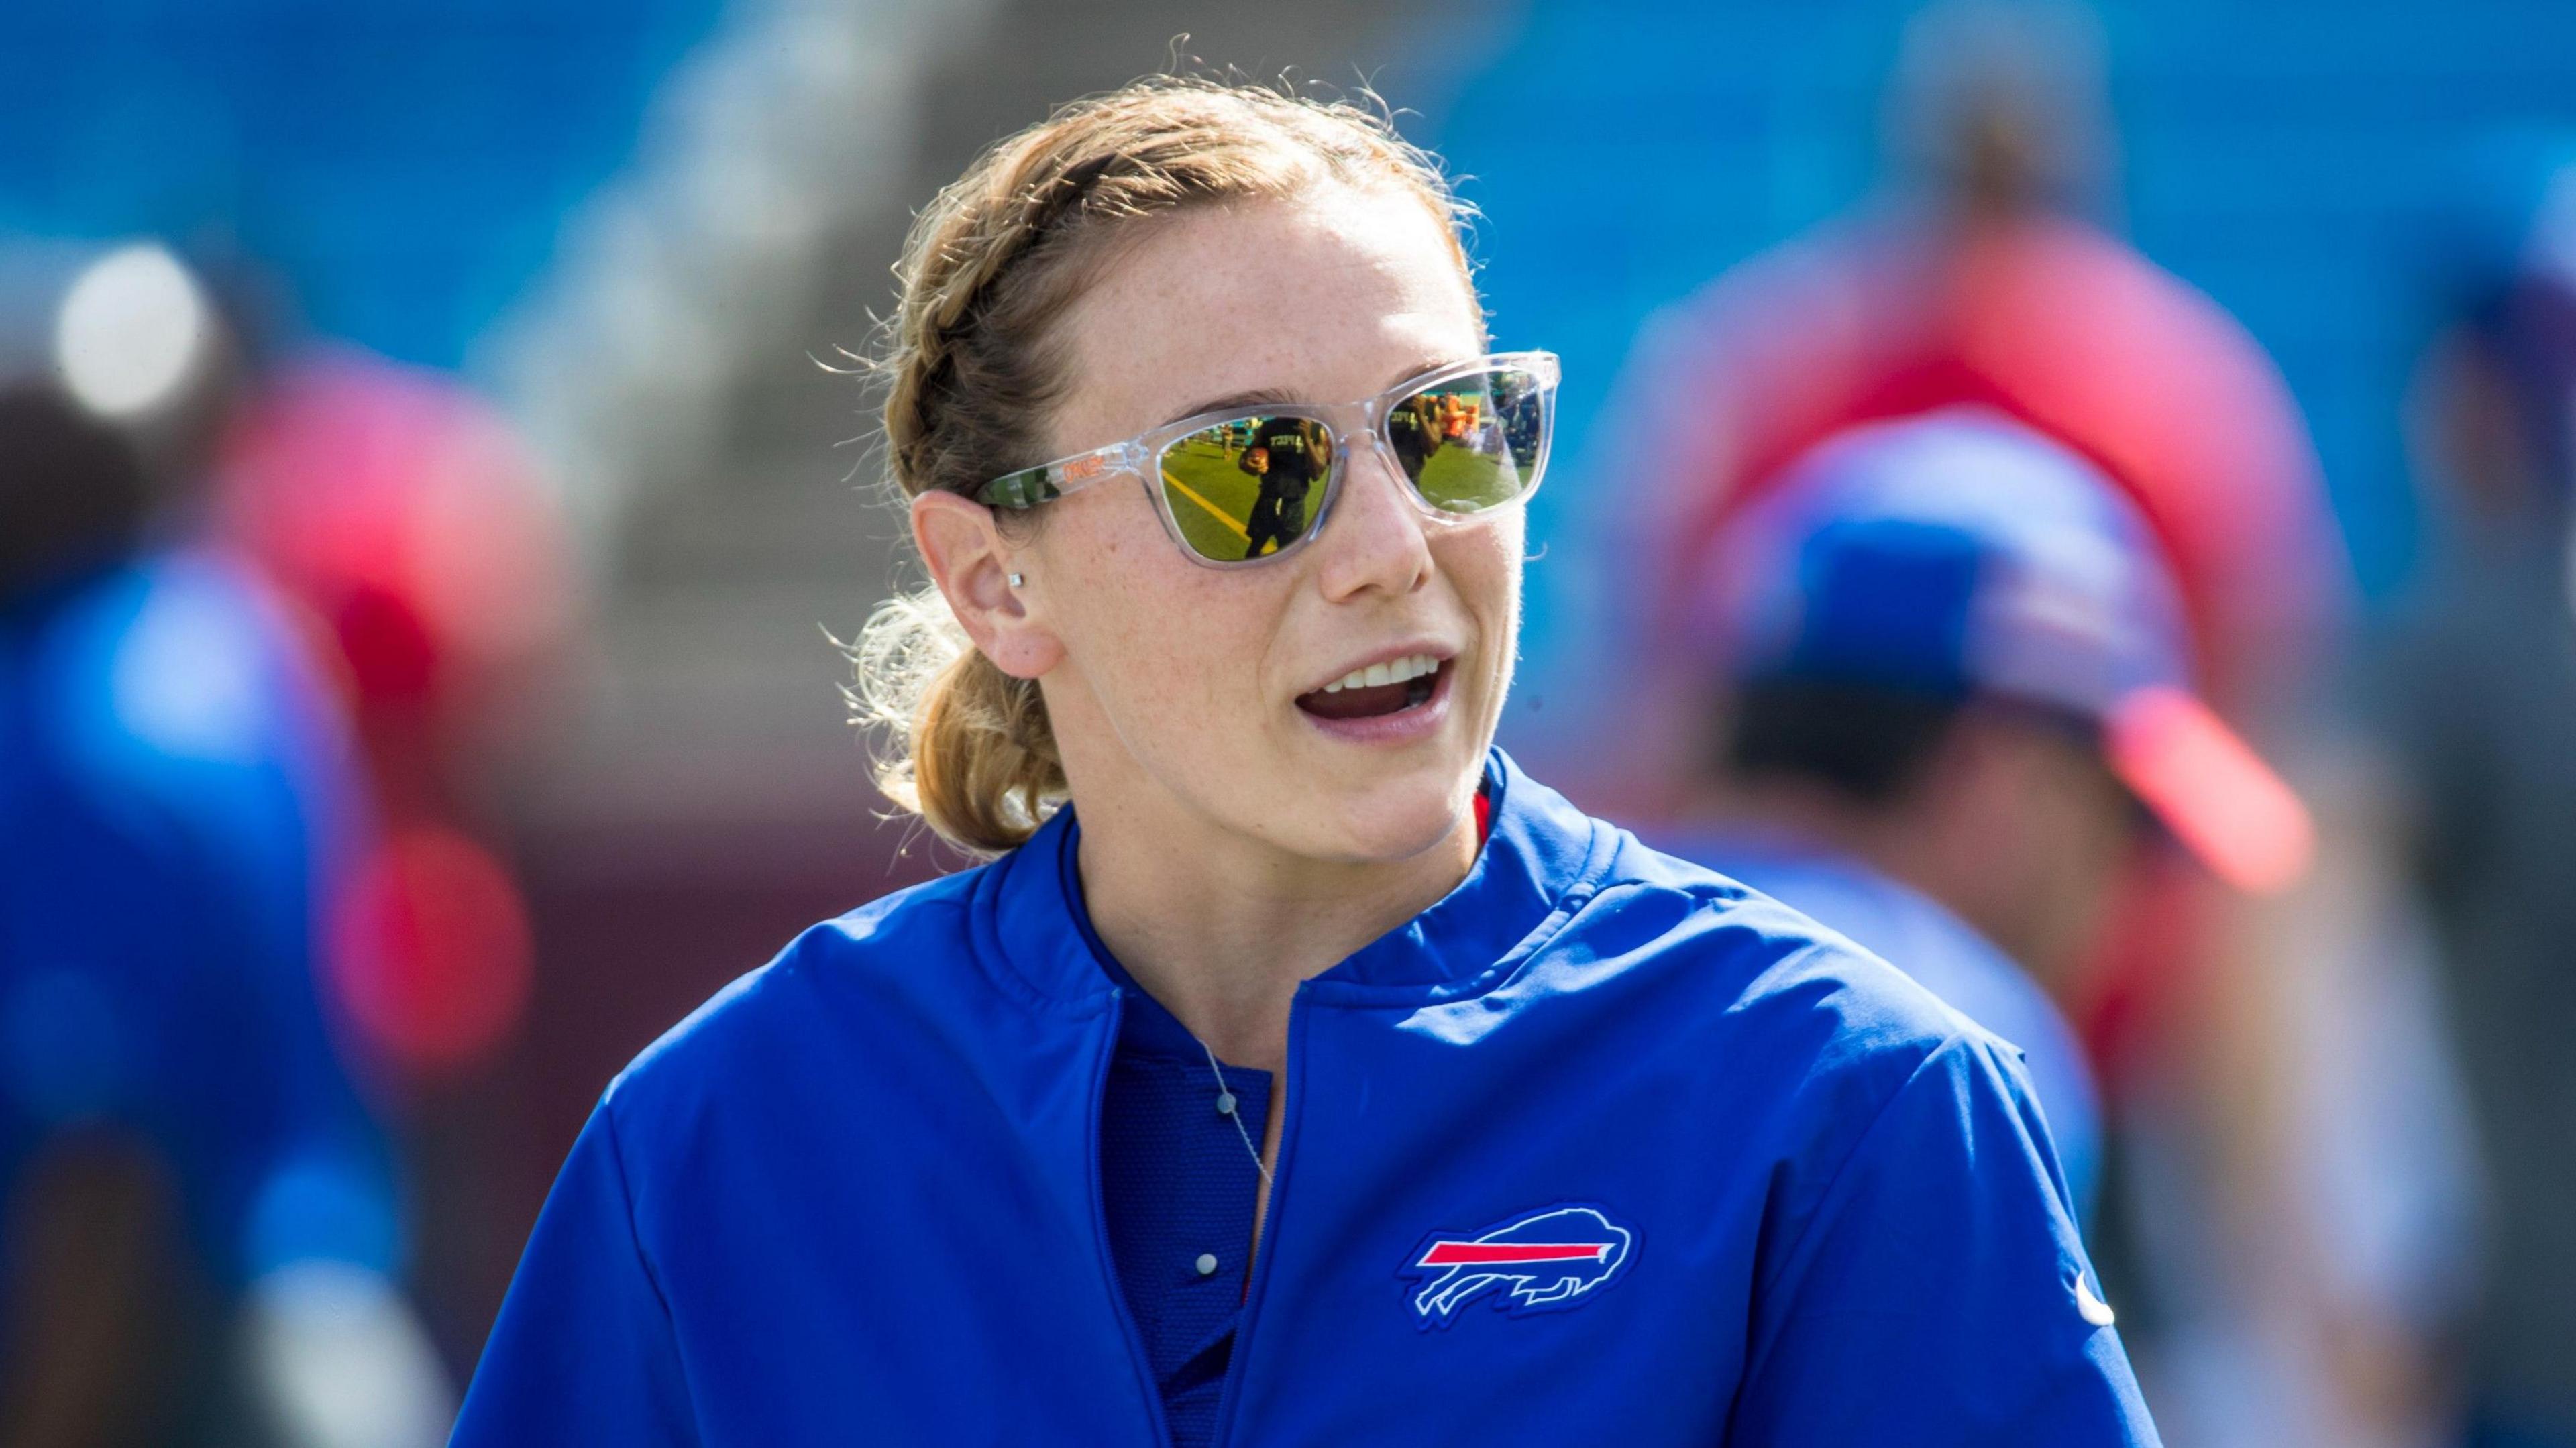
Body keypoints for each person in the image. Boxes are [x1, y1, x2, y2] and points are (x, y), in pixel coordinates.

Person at [451, 78, 2158, 1445]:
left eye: (1445, 428)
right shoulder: (718, 1145)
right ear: (995, 577)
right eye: (1249, 470)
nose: (1390, 544)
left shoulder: (1849, 1105)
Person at [1660, 410, 2315, 1224]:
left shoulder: (1538, 962)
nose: (2121, 898)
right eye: (2122, 825)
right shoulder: (1957, 1057)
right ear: (2004, 776)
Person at [1238, 415, 1326, 559]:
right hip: (1267, 500)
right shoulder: (1269, 427)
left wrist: (1307, 438)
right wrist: (1250, 465)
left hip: (1294, 505)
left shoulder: (1316, 429)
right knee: (1254, 549)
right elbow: (1243, 460)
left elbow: (1317, 473)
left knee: (1288, 556)